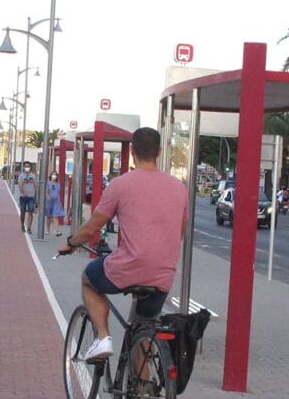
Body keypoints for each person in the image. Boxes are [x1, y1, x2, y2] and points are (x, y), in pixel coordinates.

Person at [56, 127, 189, 380]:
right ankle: (141, 397)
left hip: (129, 267)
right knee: (143, 326)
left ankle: (104, 339)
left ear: (133, 153)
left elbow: (94, 225)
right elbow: (180, 231)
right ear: (159, 152)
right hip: (163, 273)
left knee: (89, 278)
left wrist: (72, 242)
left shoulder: (120, 185)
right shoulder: (179, 189)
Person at [17, 162, 38, 233]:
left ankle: (29, 228)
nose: (27, 168)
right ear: (23, 167)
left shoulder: (33, 176)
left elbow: (36, 186)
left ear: (30, 167)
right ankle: (22, 224)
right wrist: (24, 192)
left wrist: (36, 197)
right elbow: (20, 185)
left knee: (30, 212)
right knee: (22, 212)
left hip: (31, 197)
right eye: (26, 166)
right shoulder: (21, 176)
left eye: (28, 166)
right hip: (23, 197)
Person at [44, 172, 66, 237]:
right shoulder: (48, 183)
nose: (54, 176)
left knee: (55, 216)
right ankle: (47, 230)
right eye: (53, 175)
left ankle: (57, 231)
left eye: (55, 175)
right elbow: (46, 191)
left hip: (56, 201)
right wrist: (47, 196)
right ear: (51, 176)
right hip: (49, 201)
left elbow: (57, 192)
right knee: (48, 216)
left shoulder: (58, 184)